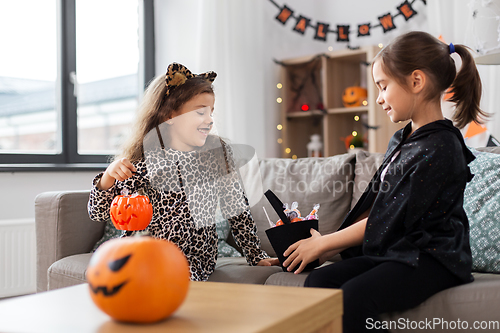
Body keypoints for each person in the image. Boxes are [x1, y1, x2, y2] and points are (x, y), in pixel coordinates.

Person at [282, 31, 487, 332]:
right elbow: (375, 204)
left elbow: (391, 215)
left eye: (383, 86)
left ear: (416, 82)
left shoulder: (442, 146)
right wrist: (318, 246)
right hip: (398, 251)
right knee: (320, 281)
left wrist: (325, 244)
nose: (378, 98)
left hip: (431, 258)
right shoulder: (402, 139)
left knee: (355, 296)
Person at [88, 62, 279, 281]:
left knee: (169, 280)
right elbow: (99, 213)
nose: (209, 119)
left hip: (192, 257)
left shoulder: (216, 154)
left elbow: (236, 209)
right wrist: (108, 176)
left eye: (211, 112)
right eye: (200, 112)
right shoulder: (143, 159)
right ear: (169, 116)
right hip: (142, 251)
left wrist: (255, 254)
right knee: (120, 279)